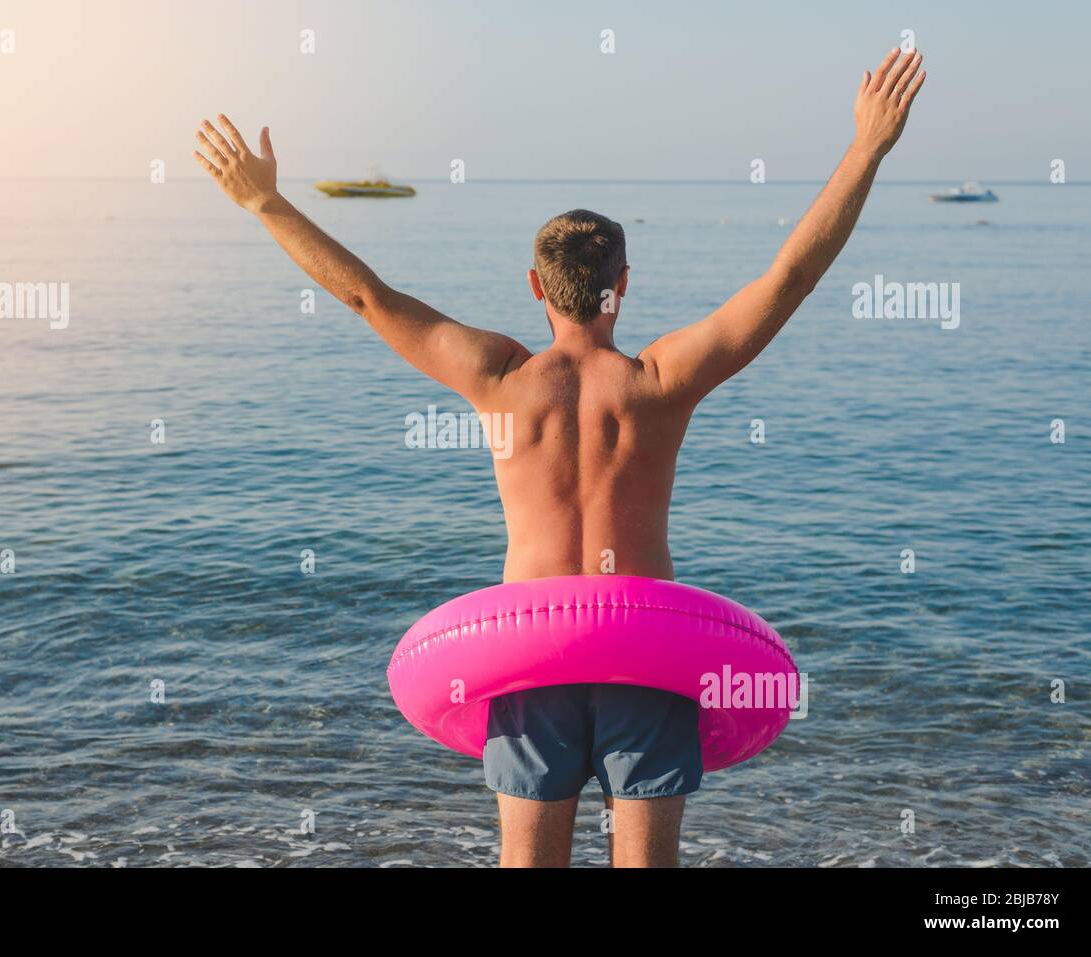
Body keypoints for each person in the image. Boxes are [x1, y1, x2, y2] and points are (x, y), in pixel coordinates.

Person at [193, 46, 926, 868]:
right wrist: (866, 149)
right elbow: (789, 278)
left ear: (536, 289)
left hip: (529, 652)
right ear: (623, 284)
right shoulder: (661, 381)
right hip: (646, 651)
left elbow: (367, 295)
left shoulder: (498, 378)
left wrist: (264, 200)